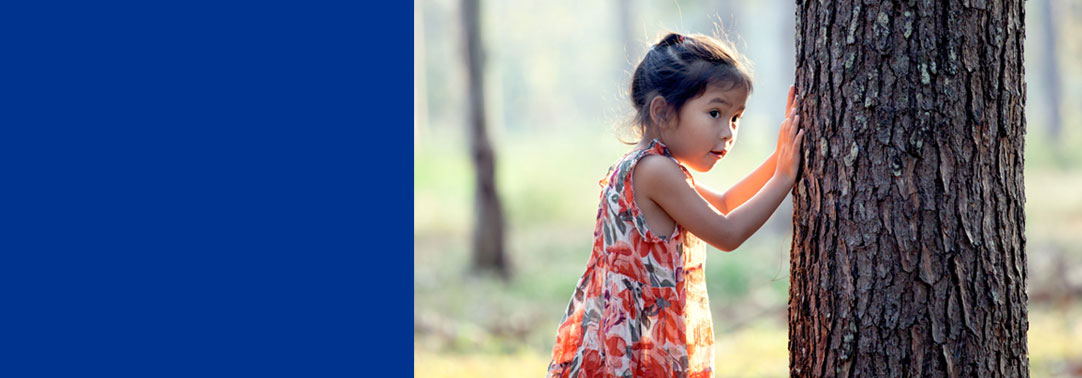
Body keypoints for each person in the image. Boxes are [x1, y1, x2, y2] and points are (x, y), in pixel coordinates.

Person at [545, 31, 804, 378]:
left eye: (735, 118)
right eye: (715, 112)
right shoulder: (654, 171)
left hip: (641, 340)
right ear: (663, 112)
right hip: (633, 349)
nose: (728, 131)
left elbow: (725, 204)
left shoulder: (653, 167)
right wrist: (784, 179)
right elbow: (727, 233)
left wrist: (780, 156)